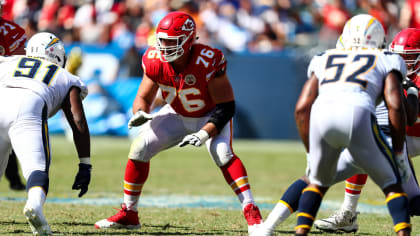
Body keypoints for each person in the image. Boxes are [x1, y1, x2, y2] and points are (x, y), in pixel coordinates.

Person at [94, 11, 263, 235]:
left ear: (188, 40)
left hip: (209, 115)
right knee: (139, 148)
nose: (163, 46)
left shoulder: (208, 60)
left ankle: (252, 212)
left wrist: (204, 133)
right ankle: (129, 213)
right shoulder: (154, 60)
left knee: (222, 153)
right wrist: (139, 113)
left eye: (170, 42)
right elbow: (143, 98)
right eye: (161, 40)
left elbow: (226, 107)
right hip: (176, 113)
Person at [257, 14, 412, 236]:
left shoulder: (325, 57)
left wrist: (311, 153)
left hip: (324, 116)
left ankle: (269, 227)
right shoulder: (386, 59)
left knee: (315, 181)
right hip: (366, 127)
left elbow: (302, 108)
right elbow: (396, 106)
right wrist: (398, 152)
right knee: (392, 183)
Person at [313, 28, 420, 233]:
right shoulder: (390, 69)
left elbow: (410, 114)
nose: (403, 62)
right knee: (364, 142)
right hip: (406, 135)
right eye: (400, 56)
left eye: (410, 57)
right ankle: (348, 212)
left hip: (413, 133)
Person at [0, 32, 92, 235]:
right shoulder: (66, 76)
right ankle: (34, 204)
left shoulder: (8, 61)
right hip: (28, 108)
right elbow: (77, 120)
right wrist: (85, 163)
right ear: (58, 55)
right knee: (37, 168)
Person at [0, 0, 28, 191]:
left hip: (4, 85)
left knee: (7, 133)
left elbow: (18, 65)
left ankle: (14, 178)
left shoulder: (12, 31)